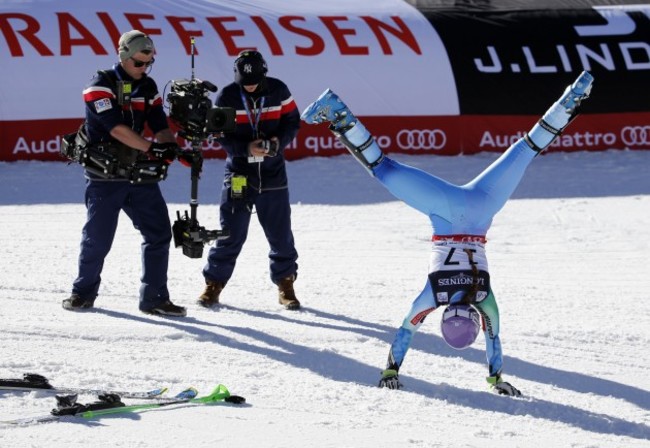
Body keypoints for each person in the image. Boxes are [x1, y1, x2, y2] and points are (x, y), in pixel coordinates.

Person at [301, 71, 594, 395]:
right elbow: (405, 332)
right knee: (383, 168)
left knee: (526, 149)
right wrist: (390, 370)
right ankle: (339, 114)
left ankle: (569, 102)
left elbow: (493, 339)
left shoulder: (485, 302)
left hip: (483, 207)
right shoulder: (434, 295)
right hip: (443, 211)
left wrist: (496, 377)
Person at [62, 30, 188, 317]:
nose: (144, 70)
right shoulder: (100, 84)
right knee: (98, 238)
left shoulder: (149, 85)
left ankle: (154, 298)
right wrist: (152, 149)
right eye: (139, 64)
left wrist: (173, 148)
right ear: (124, 56)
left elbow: (159, 123)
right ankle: (82, 293)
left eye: (149, 64)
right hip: (105, 176)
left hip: (139, 173)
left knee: (158, 234)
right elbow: (115, 128)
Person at [198, 50, 302, 310]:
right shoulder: (227, 95)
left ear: (264, 72)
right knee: (230, 232)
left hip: (273, 173)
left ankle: (285, 284)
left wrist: (278, 142)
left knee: (280, 235)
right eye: (245, 81)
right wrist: (246, 149)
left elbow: (292, 120)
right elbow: (220, 133)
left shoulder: (279, 90)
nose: (250, 84)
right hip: (239, 174)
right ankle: (213, 285)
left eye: (255, 79)